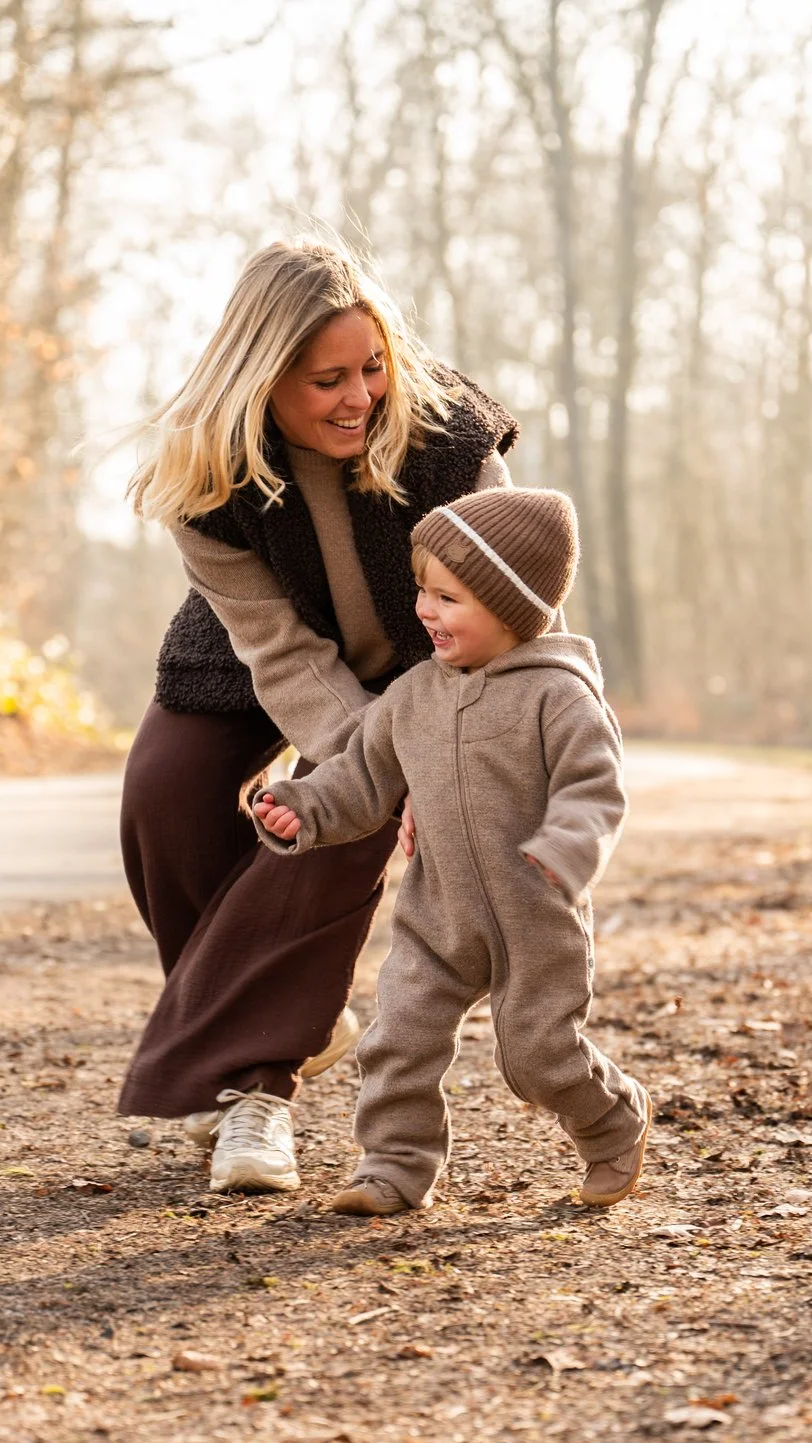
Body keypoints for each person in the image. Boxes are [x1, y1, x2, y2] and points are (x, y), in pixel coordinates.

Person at [119, 240, 518, 1194]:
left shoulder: (452, 441)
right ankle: (275, 1023)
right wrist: (365, 750)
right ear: (261, 380)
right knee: (163, 798)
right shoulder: (208, 472)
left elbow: (508, 612)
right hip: (253, 651)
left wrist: (424, 759)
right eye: (326, 379)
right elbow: (279, 651)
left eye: (372, 367)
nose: (359, 397)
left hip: (436, 658)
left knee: (337, 807)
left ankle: (255, 1093)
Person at [248, 486, 648, 1216]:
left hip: (536, 917)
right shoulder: (413, 696)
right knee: (398, 1037)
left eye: (448, 596)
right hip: (438, 914)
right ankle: (395, 1169)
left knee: (539, 1059)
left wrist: (566, 847)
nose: (425, 609)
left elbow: (596, 788)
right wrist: (299, 809)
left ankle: (612, 1120)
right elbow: (360, 778)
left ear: (513, 607)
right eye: (423, 591)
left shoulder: (559, 697)